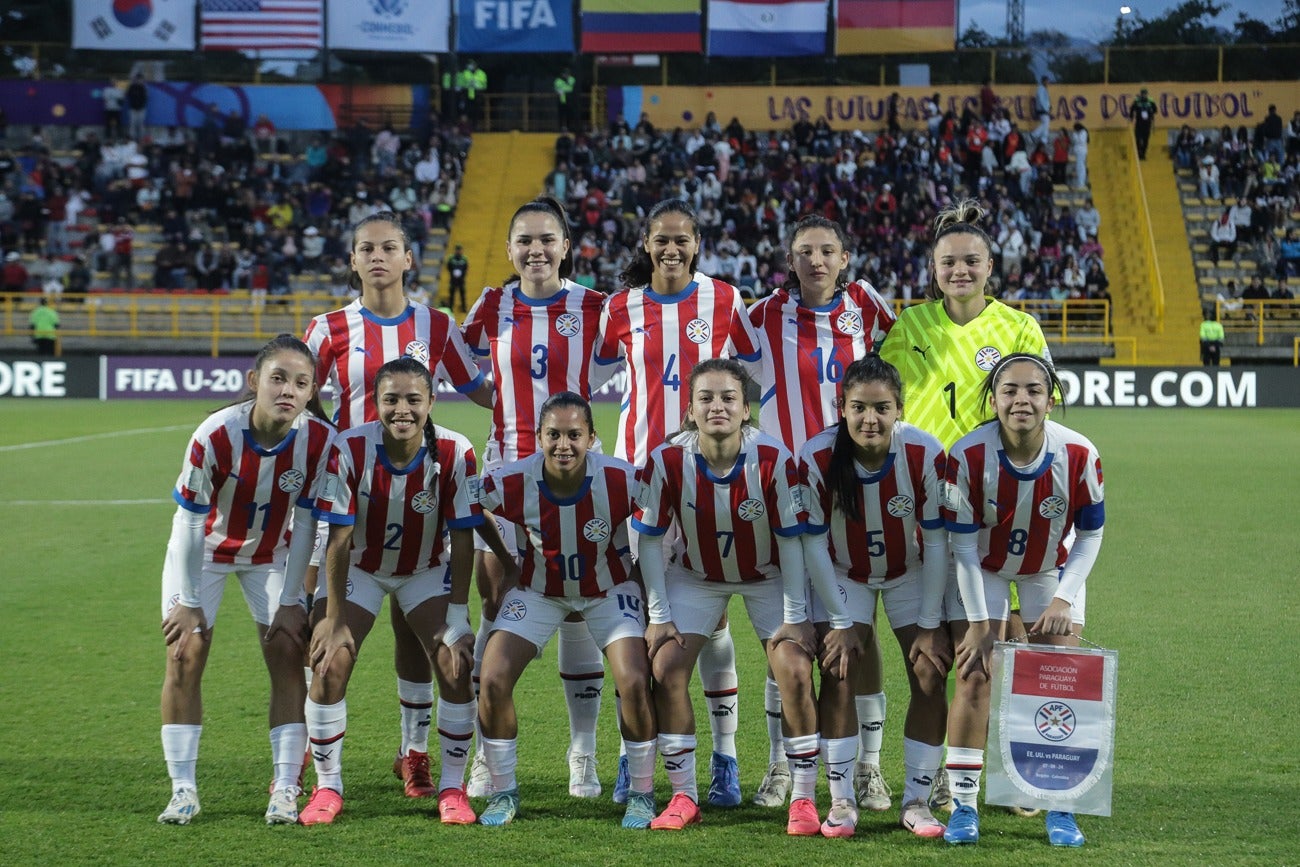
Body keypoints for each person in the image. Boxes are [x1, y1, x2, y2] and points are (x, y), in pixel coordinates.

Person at [303, 212, 494, 805]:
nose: (378, 257)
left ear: (409, 259)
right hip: (348, 501)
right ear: (353, 260)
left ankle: (414, 753)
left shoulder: (436, 325)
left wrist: (548, 402)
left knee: (418, 635)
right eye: (366, 249)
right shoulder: (329, 327)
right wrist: (325, 443)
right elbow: (298, 393)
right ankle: (305, 756)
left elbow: (481, 389)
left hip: (420, 502)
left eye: (389, 248)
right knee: (315, 630)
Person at [879, 199, 1053, 812]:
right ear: (933, 268)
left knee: (1004, 651)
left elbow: (1036, 410)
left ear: (989, 266)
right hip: (927, 511)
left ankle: (1016, 778)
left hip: (998, 510)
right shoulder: (910, 327)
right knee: (945, 658)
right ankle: (951, 781)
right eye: (949, 261)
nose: (960, 270)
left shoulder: (1019, 328)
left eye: (971, 261)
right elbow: (889, 407)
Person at [594, 199, 762, 808]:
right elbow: (596, 372)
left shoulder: (725, 299)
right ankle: (631, 753)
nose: (671, 249)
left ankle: (725, 758)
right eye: (660, 239)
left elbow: (751, 374)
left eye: (681, 239)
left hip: (704, 478)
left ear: (697, 244)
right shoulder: (620, 307)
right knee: (637, 622)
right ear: (646, 244)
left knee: (711, 617)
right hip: (640, 478)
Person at [460, 197, 614, 800]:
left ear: (566, 246)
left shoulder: (595, 306)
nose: (536, 250)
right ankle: (485, 754)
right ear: (509, 249)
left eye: (547, 239)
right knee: (496, 599)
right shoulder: (491, 305)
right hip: (506, 471)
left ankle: (583, 754)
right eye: (524, 240)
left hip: (577, 474)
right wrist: (502, 406)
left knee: (577, 602)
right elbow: (464, 370)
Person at [746, 215, 897, 813]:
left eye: (827, 250)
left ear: (844, 257)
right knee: (787, 631)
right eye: (805, 251)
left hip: (853, 485)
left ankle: (869, 765)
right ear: (790, 259)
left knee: (859, 629)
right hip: (787, 487)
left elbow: (893, 369)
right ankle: (781, 762)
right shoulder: (762, 314)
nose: (816, 261)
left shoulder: (867, 305)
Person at [633, 359, 818, 834]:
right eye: (706, 398)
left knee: (795, 669)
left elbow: (792, 541)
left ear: (745, 409)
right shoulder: (666, 460)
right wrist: (658, 616)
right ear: (690, 409)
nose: (717, 406)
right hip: (696, 577)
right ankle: (684, 795)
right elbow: (650, 541)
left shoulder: (773, 458)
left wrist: (796, 616)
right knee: (665, 667)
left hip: (767, 576)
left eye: (728, 398)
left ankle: (803, 797)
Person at [157, 335, 334, 826]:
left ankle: (285, 787)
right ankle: (183, 790)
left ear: (311, 391)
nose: (288, 390)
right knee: (184, 652)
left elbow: (306, 524)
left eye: (300, 383)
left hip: (272, 554)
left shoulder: (320, 441)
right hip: (204, 552)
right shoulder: (215, 434)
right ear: (255, 381)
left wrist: (293, 599)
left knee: (288, 651)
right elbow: (190, 521)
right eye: (278, 378)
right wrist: (188, 600)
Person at [304, 357, 481, 825]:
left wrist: (458, 614)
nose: (402, 409)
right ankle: (328, 787)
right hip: (361, 568)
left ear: (431, 402)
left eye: (413, 400)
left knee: (456, 661)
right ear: (375, 402)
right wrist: (334, 619)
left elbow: (464, 537)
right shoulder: (349, 448)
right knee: (329, 661)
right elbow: (338, 539)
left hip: (425, 569)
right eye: (391, 399)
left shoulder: (456, 451)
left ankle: (452, 787)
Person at [941, 353, 1104, 849]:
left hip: (1049, 570)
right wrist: (979, 624)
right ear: (993, 400)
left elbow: (1090, 535)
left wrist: (1063, 599)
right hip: (982, 569)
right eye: (1009, 390)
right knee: (974, 674)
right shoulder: (967, 455)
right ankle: (963, 805)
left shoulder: (1079, 453)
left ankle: (1060, 805)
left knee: (1058, 682)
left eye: (1033, 390)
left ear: (1050, 400)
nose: (1021, 400)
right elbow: (962, 549)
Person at [475, 392, 657, 829]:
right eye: (553, 435)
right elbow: (468, 504)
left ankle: (642, 794)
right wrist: (507, 561)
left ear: (592, 438)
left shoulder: (619, 478)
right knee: (493, 678)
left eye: (574, 435)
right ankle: (503, 792)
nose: (563, 445)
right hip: (539, 592)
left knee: (634, 680)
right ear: (539, 437)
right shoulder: (514, 479)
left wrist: (645, 580)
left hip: (608, 591)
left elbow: (664, 505)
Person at [800, 355, 950, 839]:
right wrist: (841, 623)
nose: (870, 419)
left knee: (929, 671)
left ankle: (917, 801)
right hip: (846, 573)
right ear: (841, 407)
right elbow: (813, 547)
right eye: (859, 407)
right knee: (839, 667)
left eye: (882, 408)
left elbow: (938, 543)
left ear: (899, 409)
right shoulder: (818, 456)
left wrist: (930, 625)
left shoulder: (924, 452)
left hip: (911, 571)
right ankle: (842, 798)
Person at [1130, 87, 1158, 160]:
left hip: (1147, 123)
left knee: (1146, 140)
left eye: (1145, 94)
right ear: (1141, 94)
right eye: (1143, 94)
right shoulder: (1137, 101)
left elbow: (1155, 110)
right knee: (1138, 139)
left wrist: (1151, 110)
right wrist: (1131, 118)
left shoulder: (1150, 101)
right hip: (1139, 123)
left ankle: (1143, 154)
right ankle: (1138, 153)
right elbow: (1132, 109)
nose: (1144, 95)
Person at [446, 244, 469, 313]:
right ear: (455, 250)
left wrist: (462, 274)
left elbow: (466, 268)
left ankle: (463, 308)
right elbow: (448, 267)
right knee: (452, 294)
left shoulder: (464, 258)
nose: (458, 251)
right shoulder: (451, 258)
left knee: (462, 294)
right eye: (457, 250)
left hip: (461, 280)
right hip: (453, 279)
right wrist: (452, 273)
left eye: (459, 250)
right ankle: (450, 308)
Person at [554, 67, 578, 132]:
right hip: (562, 98)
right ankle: (561, 128)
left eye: (568, 74)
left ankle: (569, 127)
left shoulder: (572, 79)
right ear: (562, 74)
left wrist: (564, 89)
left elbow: (572, 86)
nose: (567, 75)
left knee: (569, 114)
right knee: (561, 114)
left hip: (570, 98)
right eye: (565, 74)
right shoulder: (558, 81)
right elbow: (556, 89)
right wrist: (560, 91)